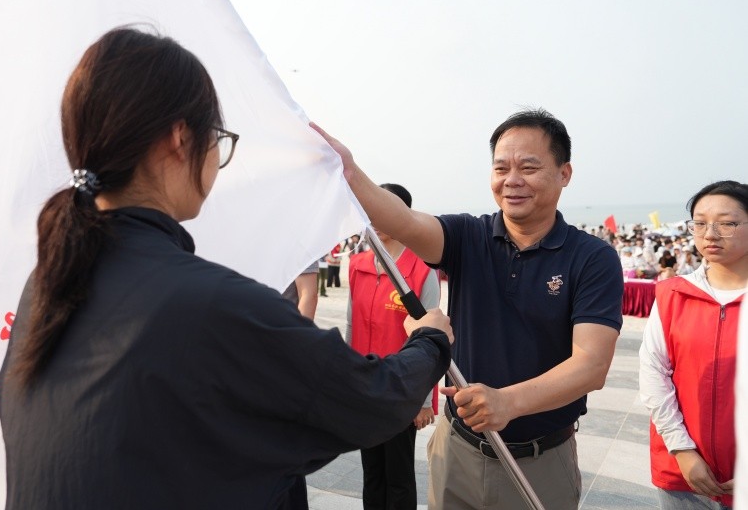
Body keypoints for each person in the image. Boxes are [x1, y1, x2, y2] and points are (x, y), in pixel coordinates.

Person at [0, 27, 454, 510]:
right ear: (180, 138)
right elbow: (369, 399)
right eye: (217, 137)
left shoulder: (48, 285)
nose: (218, 157)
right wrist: (430, 340)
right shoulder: (208, 304)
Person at [313, 108, 623, 509]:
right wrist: (350, 172)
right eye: (501, 168)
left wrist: (508, 402)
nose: (512, 180)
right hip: (457, 451)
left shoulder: (591, 257)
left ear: (564, 173)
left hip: (540, 459)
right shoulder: (467, 236)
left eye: (529, 167)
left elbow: (591, 365)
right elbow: (404, 221)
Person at [639, 180, 746, 510]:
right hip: (683, 472)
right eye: (699, 223)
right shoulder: (672, 293)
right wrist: (682, 450)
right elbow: (654, 373)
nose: (710, 234)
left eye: (727, 223)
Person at [346, 183, 441, 510]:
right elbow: (351, 326)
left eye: (382, 210)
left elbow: (432, 340)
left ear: (401, 214)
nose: (375, 219)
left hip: (402, 389)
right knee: (372, 471)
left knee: (398, 475)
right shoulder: (358, 265)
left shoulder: (421, 271)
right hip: (365, 385)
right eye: (369, 212)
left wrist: (424, 401)